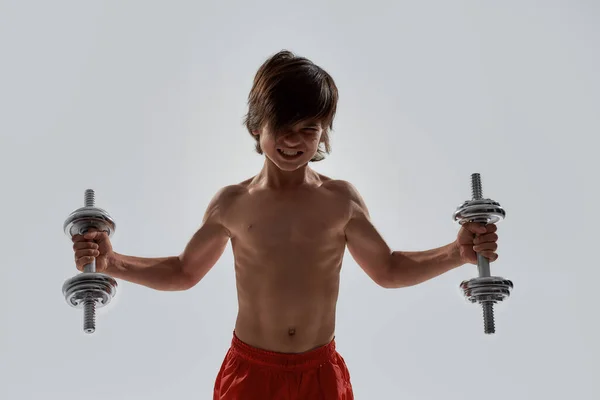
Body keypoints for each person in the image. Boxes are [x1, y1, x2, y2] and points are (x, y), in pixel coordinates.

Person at [71, 50, 499, 400]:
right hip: (251, 373)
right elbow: (183, 272)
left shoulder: (340, 200)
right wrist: (111, 261)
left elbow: (388, 270)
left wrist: (456, 252)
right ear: (258, 127)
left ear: (324, 134)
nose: (295, 141)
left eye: (308, 129)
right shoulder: (233, 204)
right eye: (283, 127)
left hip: (320, 374)